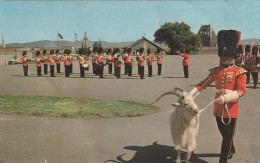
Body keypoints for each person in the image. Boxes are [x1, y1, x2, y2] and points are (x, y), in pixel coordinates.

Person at [189, 30, 246, 163]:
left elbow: (242, 91)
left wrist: (226, 98)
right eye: (223, 55)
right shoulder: (216, 71)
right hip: (218, 109)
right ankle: (231, 148)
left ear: (233, 55)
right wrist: (190, 95)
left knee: (226, 138)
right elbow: (202, 85)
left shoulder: (239, 72)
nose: (225, 58)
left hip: (231, 109)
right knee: (225, 135)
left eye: (227, 55)